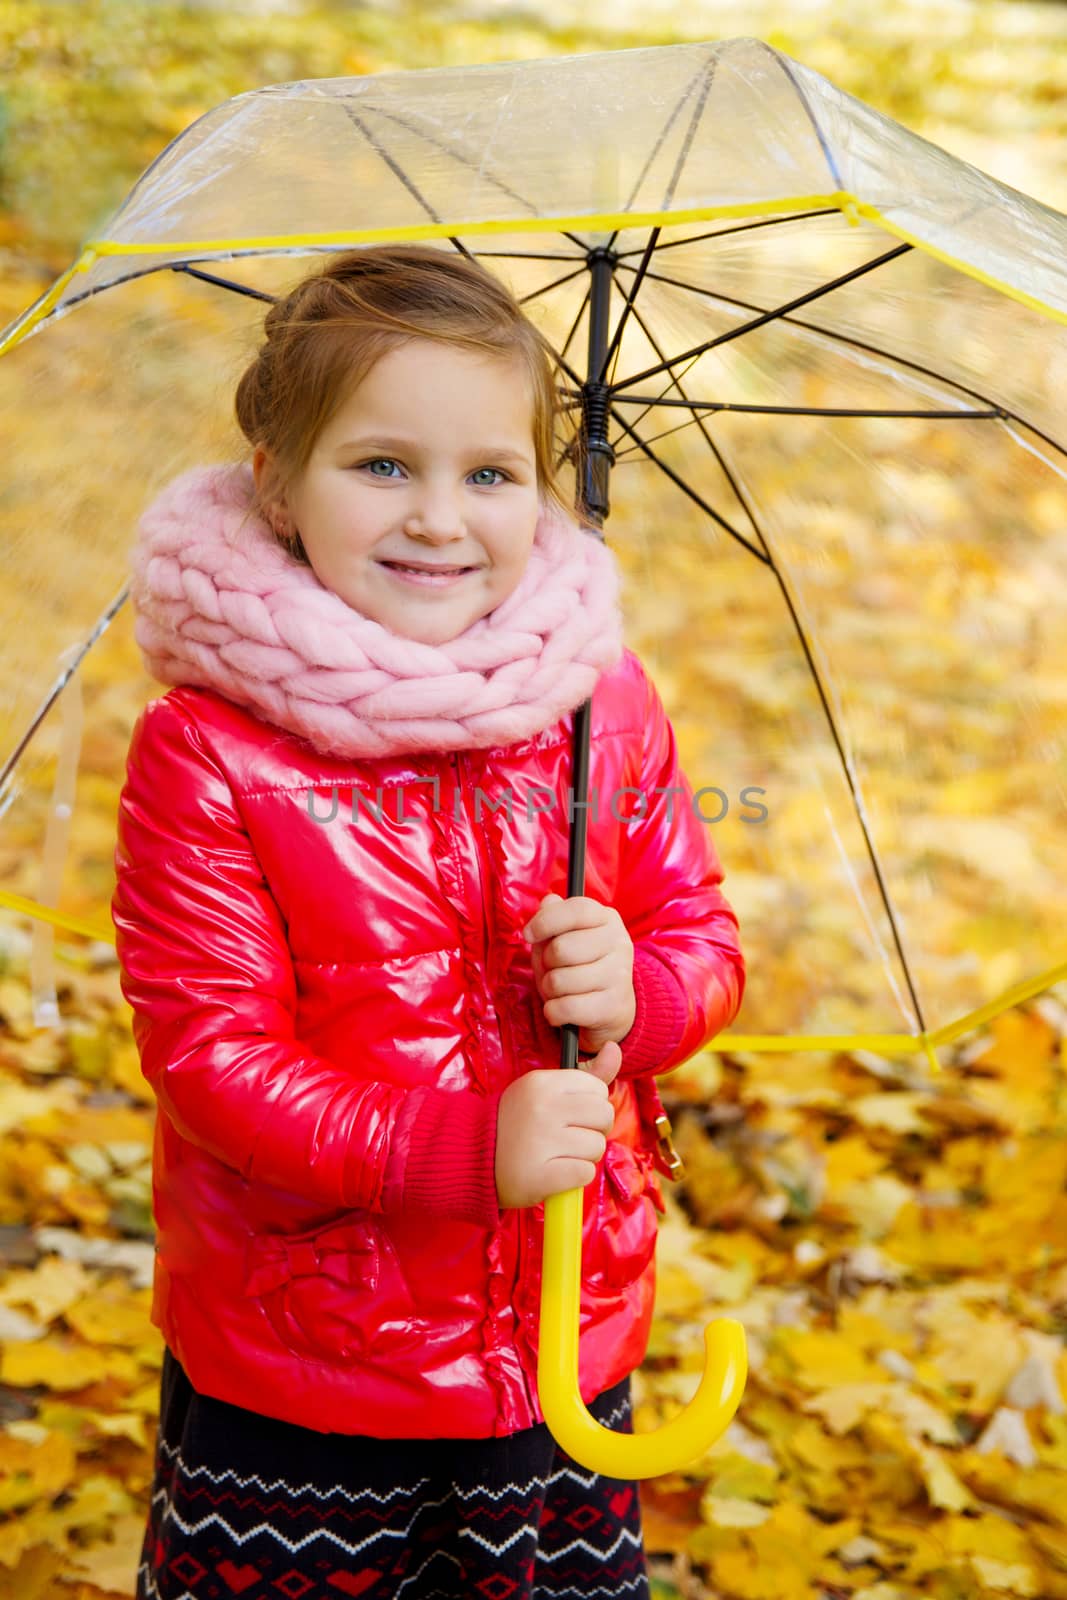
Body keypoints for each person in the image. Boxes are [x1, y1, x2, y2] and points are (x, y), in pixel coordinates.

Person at [112, 242, 746, 1600]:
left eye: (489, 474)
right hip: (312, 1364)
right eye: (383, 465)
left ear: (544, 490)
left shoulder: (597, 705)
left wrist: (638, 994)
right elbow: (209, 1061)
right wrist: (467, 1146)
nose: (440, 519)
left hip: (566, 1336)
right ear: (278, 487)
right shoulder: (211, 752)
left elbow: (702, 929)